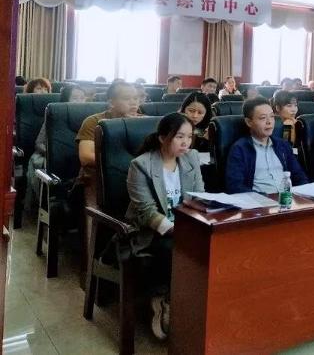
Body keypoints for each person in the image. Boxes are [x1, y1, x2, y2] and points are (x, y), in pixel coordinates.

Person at [125, 112, 204, 340]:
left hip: (186, 226)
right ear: (162, 137)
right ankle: (163, 299)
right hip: (151, 232)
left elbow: (198, 198)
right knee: (173, 247)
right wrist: (177, 231)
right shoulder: (141, 165)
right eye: (179, 137)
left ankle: (193, 301)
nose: (186, 142)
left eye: (189, 137)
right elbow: (147, 212)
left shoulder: (191, 158)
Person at [76, 82, 140, 260]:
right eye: (127, 98)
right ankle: (96, 259)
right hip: (95, 180)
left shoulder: (142, 122)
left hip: (133, 180)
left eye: (136, 98)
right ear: (111, 102)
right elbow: (86, 156)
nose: (134, 103)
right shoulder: (94, 122)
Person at [225, 98, 308, 193]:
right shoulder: (240, 149)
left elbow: (299, 175)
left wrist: (305, 194)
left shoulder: (283, 145)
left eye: (272, 116)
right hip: (258, 200)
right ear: (249, 122)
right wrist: (265, 198)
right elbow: (235, 186)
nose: (269, 122)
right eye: (263, 118)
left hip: (287, 198)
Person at [28, 84, 86, 189]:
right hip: (58, 163)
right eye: (75, 98)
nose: (79, 102)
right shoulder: (55, 115)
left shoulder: (90, 118)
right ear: (65, 100)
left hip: (80, 162)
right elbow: (39, 143)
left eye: (82, 98)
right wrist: (54, 155)